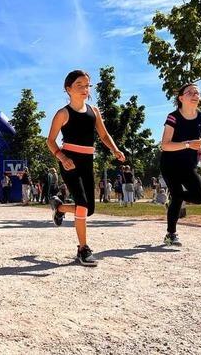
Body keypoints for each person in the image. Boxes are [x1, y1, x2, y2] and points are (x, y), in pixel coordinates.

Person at [46, 70, 126, 266]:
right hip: (70, 161)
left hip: (88, 161)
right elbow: (50, 141)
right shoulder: (63, 113)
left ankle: (60, 207)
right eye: (79, 85)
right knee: (82, 204)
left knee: (88, 209)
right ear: (68, 89)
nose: (84, 89)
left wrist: (115, 150)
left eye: (87, 85)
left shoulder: (94, 111)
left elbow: (104, 135)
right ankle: (83, 249)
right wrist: (62, 157)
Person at [159, 83, 201, 246]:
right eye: (191, 92)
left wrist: (200, 154)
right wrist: (187, 144)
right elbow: (165, 145)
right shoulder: (173, 117)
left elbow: (197, 139)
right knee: (178, 196)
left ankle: (174, 198)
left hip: (188, 165)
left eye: (198, 93)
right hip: (170, 164)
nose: (195, 95)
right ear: (181, 98)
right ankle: (170, 234)